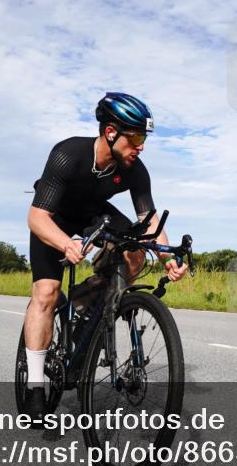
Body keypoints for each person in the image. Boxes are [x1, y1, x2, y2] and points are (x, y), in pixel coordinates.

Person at [23, 92, 188, 420]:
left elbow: (148, 220)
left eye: (144, 139)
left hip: (93, 214)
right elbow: (36, 217)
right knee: (46, 292)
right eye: (136, 138)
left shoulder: (135, 170)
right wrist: (66, 244)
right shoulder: (68, 155)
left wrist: (168, 258)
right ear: (111, 132)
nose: (141, 146)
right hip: (55, 217)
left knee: (137, 248)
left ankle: (92, 301)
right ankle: (35, 384)